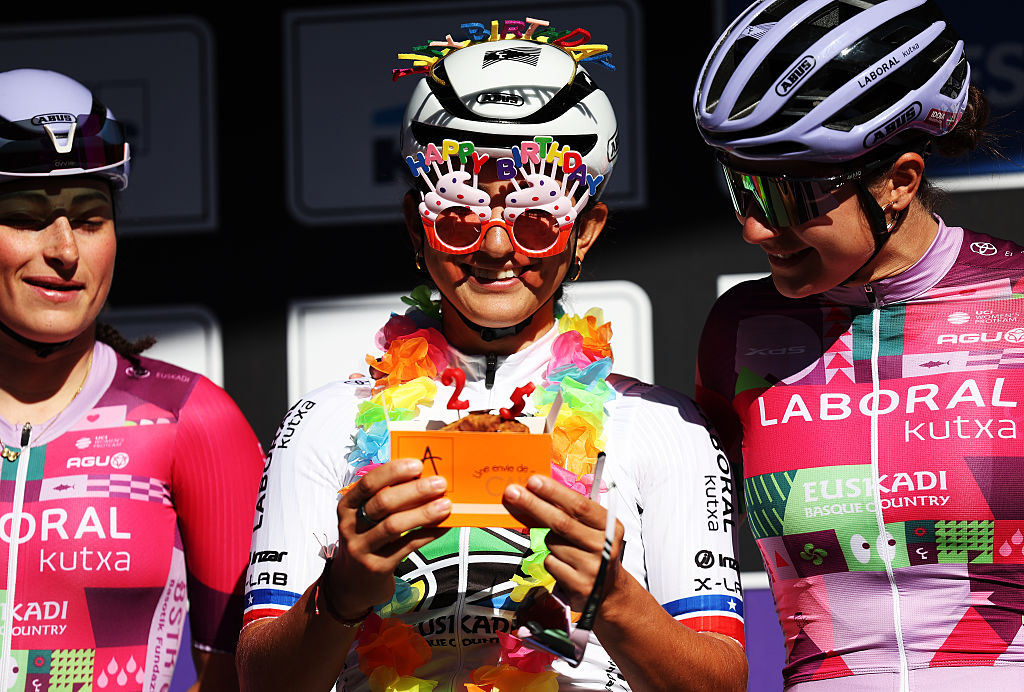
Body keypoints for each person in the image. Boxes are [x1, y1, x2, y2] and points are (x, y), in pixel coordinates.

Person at [237, 18, 747, 692]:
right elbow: (259, 682)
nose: (497, 247)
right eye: (460, 216)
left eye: (535, 219)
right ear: (417, 230)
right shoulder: (328, 421)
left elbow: (722, 683)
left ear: (585, 231)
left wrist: (614, 599)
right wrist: (344, 589)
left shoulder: (661, 426)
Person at [693, 0, 1024, 688]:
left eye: (787, 197)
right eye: (740, 187)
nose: (755, 228)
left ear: (899, 182)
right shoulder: (738, 332)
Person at [0, 68, 264, 691]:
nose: (65, 251)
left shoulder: (191, 418)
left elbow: (247, 679)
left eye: (91, 220)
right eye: (26, 218)